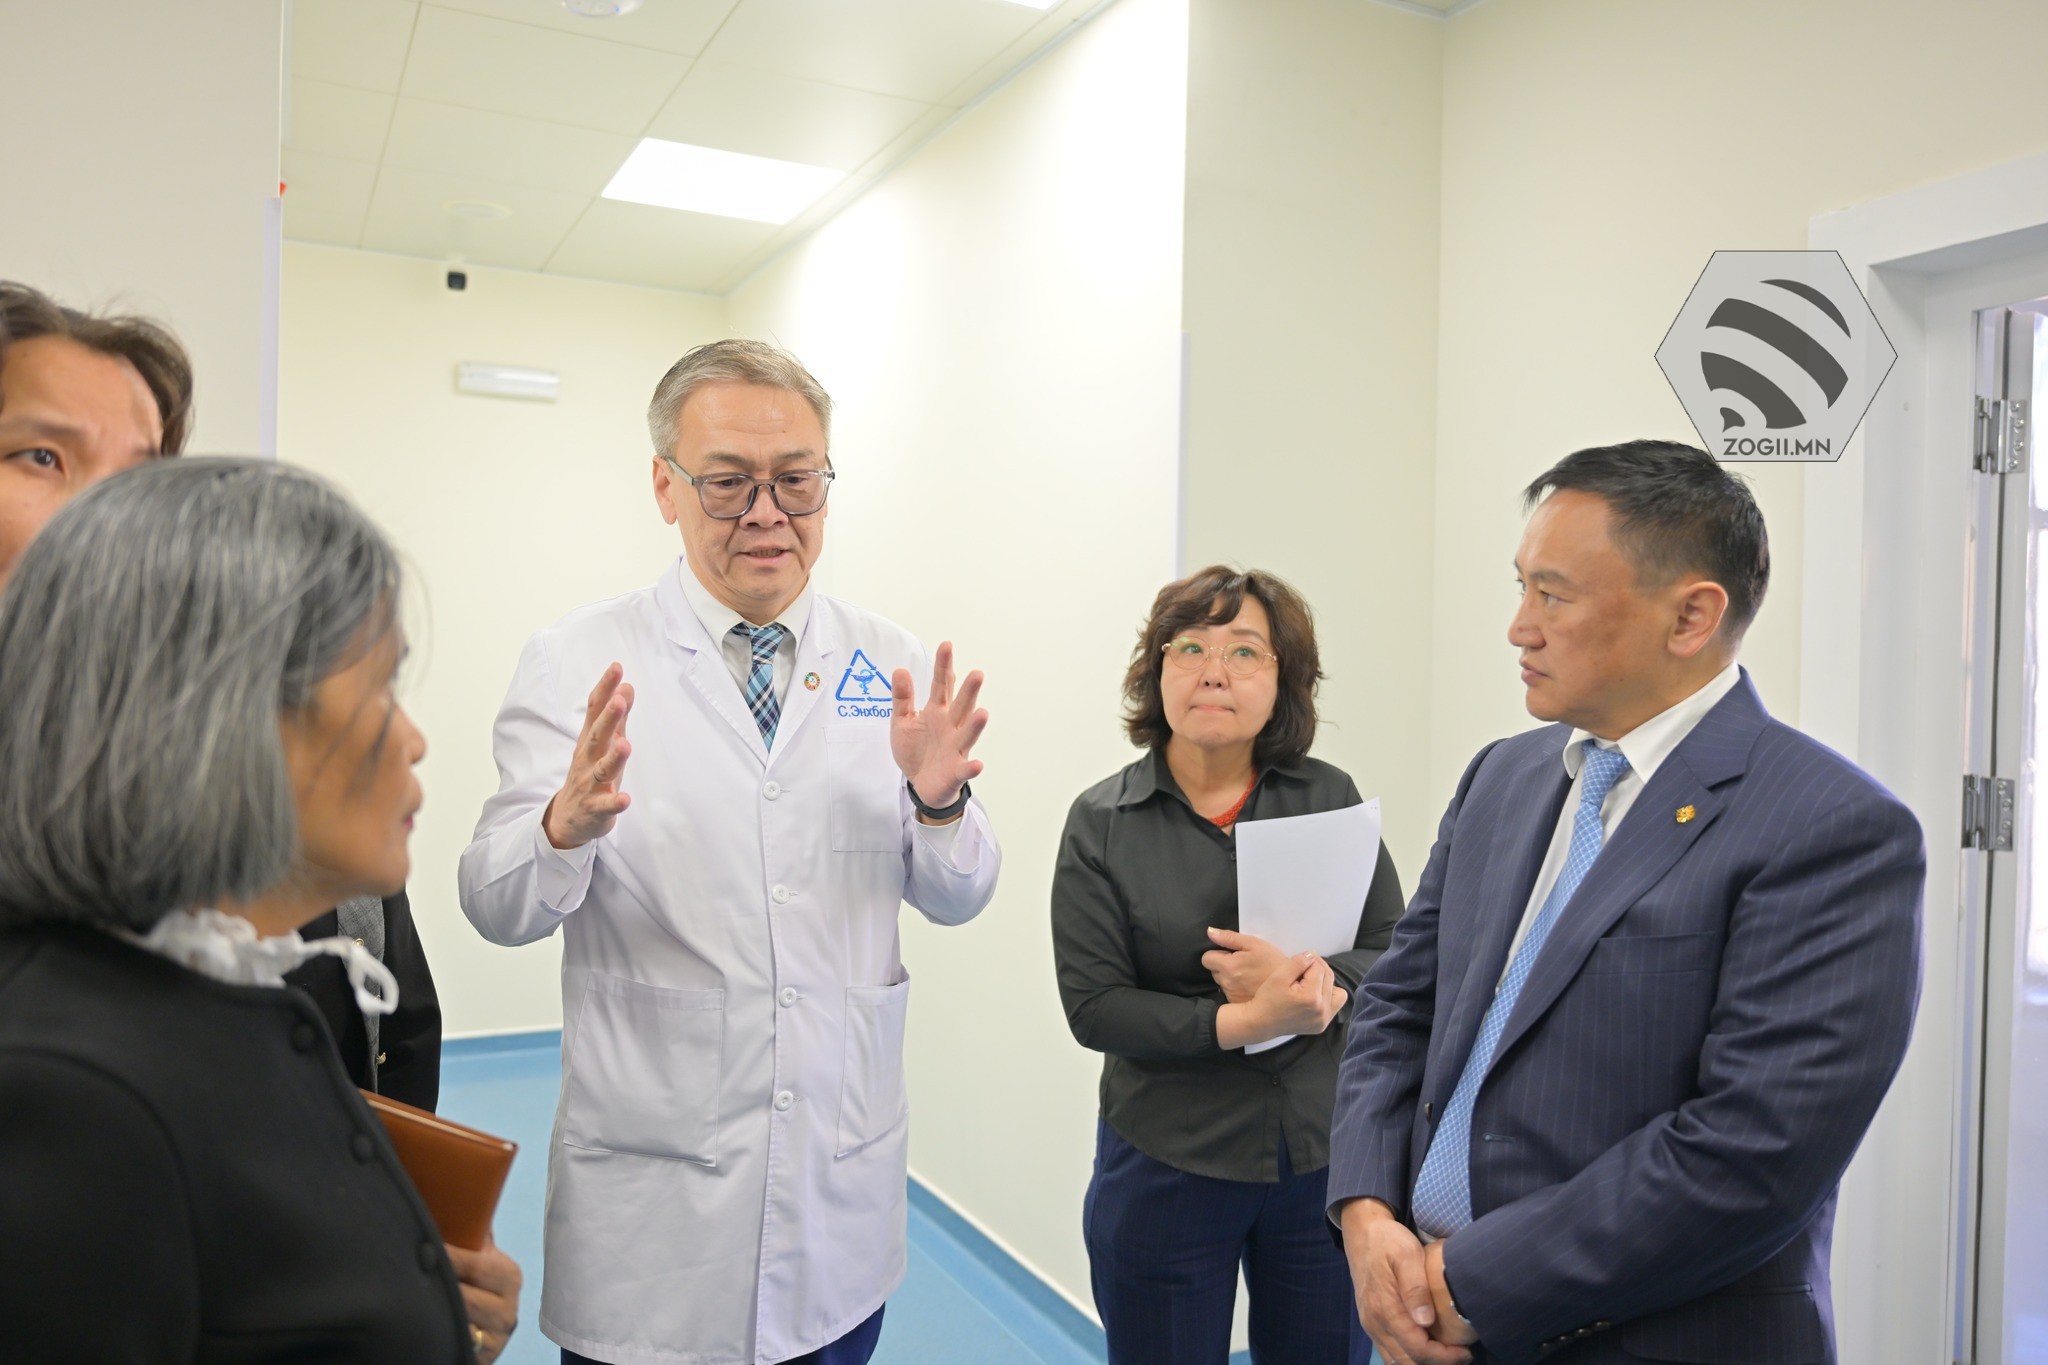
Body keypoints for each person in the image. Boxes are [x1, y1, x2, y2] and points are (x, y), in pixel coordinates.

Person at [458, 338, 1000, 1365]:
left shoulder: (886, 660)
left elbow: (961, 892)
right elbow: (492, 902)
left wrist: (939, 806)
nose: (766, 513)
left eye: (796, 479)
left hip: (835, 1202)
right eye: (727, 482)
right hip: (652, 1222)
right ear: (664, 486)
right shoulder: (577, 659)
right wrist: (560, 829)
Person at [1328, 441, 1925, 1365]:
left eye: (1553, 596)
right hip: (1420, 1319)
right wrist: (1367, 1211)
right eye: (1521, 587)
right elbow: (1398, 1007)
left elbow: (1751, 1153)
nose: (1519, 628)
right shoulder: (1503, 778)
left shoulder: (1831, 828)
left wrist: (1471, 1283)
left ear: (1691, 616)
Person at [0, 458, 520, 1362]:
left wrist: (435, 1312)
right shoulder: (72, 1102)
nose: (414, 738)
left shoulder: (230, 995)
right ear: (224, 717)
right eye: (382, 687)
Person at [0, 279, 442, 1108]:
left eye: (142, 476)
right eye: (43, 457)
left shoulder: (276, 771)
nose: (110, 515)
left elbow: (387, 1038)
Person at [1053, 565, 1402, 1365]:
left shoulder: (1330, 796)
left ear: (1284, 680)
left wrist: (1320, 985)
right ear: (1157, 670)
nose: (1213, 669)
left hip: (1320, 1161)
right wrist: (1247, 1020)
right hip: (1167, 1161)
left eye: (1245, 650)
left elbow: (1396, 944)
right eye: (1190, 646)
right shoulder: (1102, 822)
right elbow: (1096, 1006)